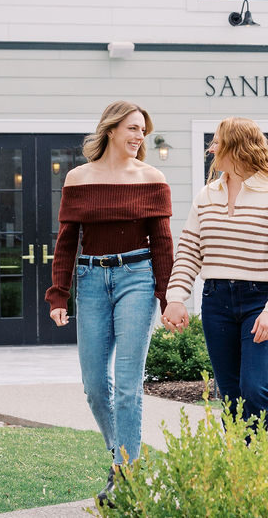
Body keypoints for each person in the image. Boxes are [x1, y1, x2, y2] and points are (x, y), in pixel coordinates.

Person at [45, 100, 172, 506]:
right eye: (133, 129)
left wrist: (168, 297)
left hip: (136, 277)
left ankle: (126, 478)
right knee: (96, 386)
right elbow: (66, 241)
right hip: (90, 279)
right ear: (111, 130)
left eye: (143, 132)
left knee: (129, 387)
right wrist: (58, 293)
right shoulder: (79, 178)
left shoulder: (152, 178)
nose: (138, 138)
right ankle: (120, 458)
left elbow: (163, 245)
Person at [162, 117, 268, 446]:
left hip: (262, 301)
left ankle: (267, 473)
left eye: (217, 142)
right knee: (230, 394)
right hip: (217, 302)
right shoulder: (207, 195)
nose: (211, 148)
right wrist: (176, 296)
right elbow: (189, 250)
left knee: (255, 387)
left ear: (238, 148)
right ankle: (242, 471)